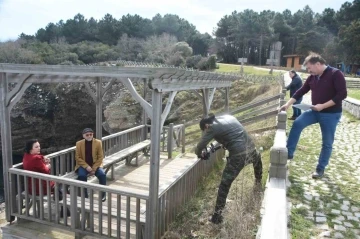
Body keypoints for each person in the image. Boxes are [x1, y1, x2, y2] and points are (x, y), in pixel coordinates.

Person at [280, 52, 347, 179]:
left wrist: (322, 106)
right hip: (315, 112)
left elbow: (342, 95)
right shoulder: (313, 77)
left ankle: (320, 169)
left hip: (331, 114)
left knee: (327, 142)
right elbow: (301, 91)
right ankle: (289, 153)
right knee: (298, 123)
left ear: (318, 64)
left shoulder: (335, 74)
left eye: (310, 68)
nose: (309, 71)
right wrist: (288, 104)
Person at [195, 114, 262, 224]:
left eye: (204, 130)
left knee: (224, 185)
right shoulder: (229, 117)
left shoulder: (212, 127)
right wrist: (225, 144)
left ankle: (217, 216)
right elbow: (233, 135)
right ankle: (258, 182)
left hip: (238, 156)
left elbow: (200, 145)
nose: (206, 132)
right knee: (257, 161)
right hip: (252, 149)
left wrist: (199, 154)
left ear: (206, 126)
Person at [22, 139, 70, 217]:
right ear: (31, 149)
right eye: (36, 147)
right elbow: (46, 171)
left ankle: (63, 206)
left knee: (59, 185)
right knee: (62, 184)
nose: (39, 148)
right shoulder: (36, 159)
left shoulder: (26, 156)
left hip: (31, 186)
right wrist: (48, 165)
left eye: (39, 146)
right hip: (41, 187)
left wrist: (43, 159)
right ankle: (64, 208)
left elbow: (37, 165)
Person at [75, 128, 107, 201]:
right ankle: (85, 195)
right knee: (82, 176)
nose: (89, 136)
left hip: (95, 164)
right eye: (87, 135)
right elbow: (77, 157)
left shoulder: (98, 142)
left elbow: (100, 157)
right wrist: (86, 167)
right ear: (83, 136)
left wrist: (94, 168)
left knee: (102, 175)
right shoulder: (79, 143)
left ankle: (103, 194)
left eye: (91, 134)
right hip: (83, 165)